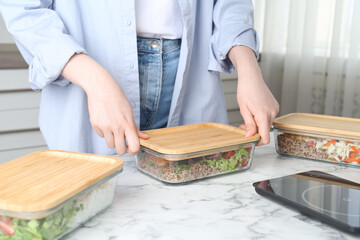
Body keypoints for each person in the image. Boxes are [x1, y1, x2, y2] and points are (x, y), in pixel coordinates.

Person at [0, 0, 279, 156]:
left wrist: (249, 67)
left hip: (191, 80)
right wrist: (95, 81)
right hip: (90, 73)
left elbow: (232, 4)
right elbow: (24, 10)